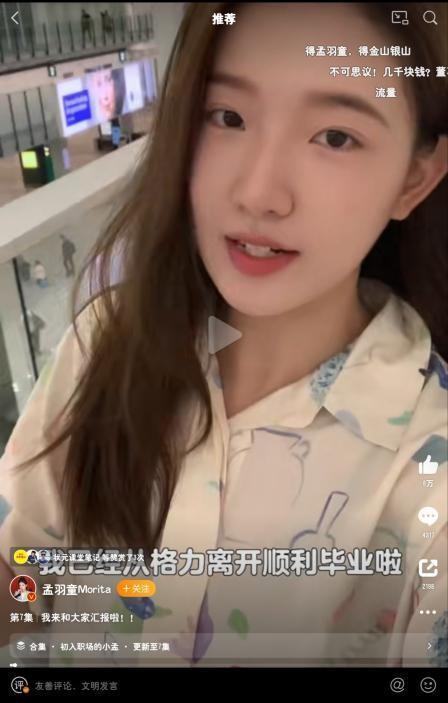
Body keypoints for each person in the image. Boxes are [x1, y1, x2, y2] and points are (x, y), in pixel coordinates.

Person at [0, 3, 447, 670]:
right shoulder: (109, 338)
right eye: (228, 117)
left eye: (335, 136)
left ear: (414, 179)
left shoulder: (428, 466)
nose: (259, 193)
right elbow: (21, 571)